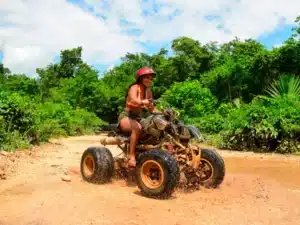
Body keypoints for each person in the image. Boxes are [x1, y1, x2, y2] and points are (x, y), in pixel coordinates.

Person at [118, 67, 157, 167]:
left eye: (151, 78)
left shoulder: (148, 92)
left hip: (139, 118)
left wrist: (164, 113)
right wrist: (143, 102)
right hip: (126, 116)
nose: (149, 80)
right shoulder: (134, 87)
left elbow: (152, 109)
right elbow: (133, 100)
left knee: (155, 128)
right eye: (147, 78)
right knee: (138, 128)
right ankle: (131, 156)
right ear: (141, 78)